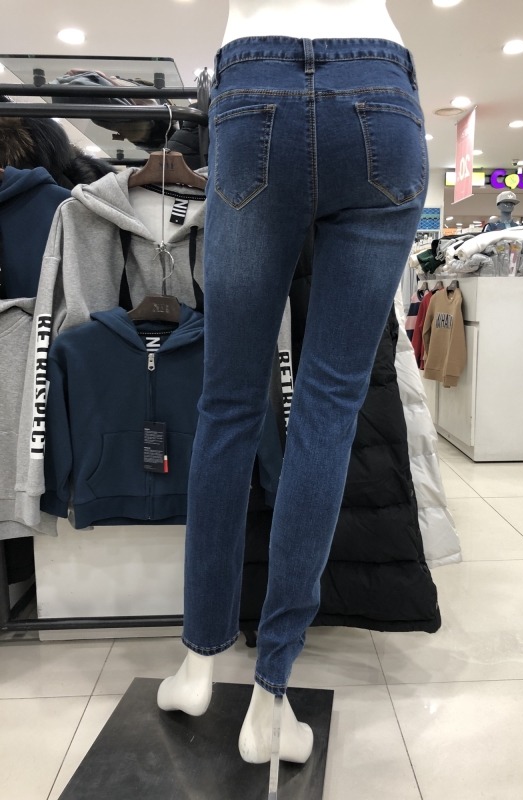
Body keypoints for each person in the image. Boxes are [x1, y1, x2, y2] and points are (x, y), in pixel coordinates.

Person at [158, 0, 435, 765]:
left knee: (228, 406)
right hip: (381, 89)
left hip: (257, 83)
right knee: (330, 405)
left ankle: (198, 664)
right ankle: (271, 698)